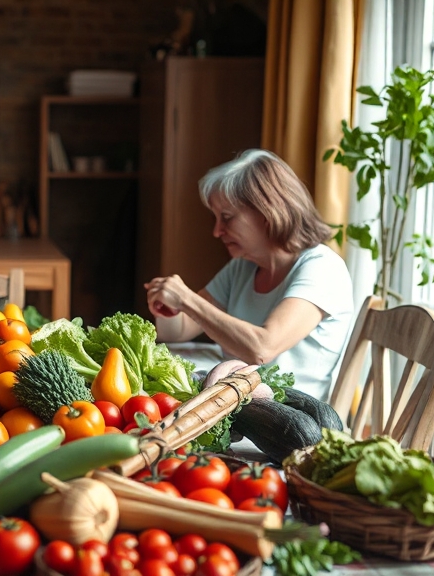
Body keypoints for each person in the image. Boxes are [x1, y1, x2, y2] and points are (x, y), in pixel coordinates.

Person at [144, 150, 353, 462]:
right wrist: (167, 306)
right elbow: (180, 330)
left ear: (268, 211)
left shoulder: (322, 268)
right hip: (237, 414)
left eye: (226, 218)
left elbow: (262, 349)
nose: (216, 231)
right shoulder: (243, 267)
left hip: (290, 434)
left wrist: (187, 299)